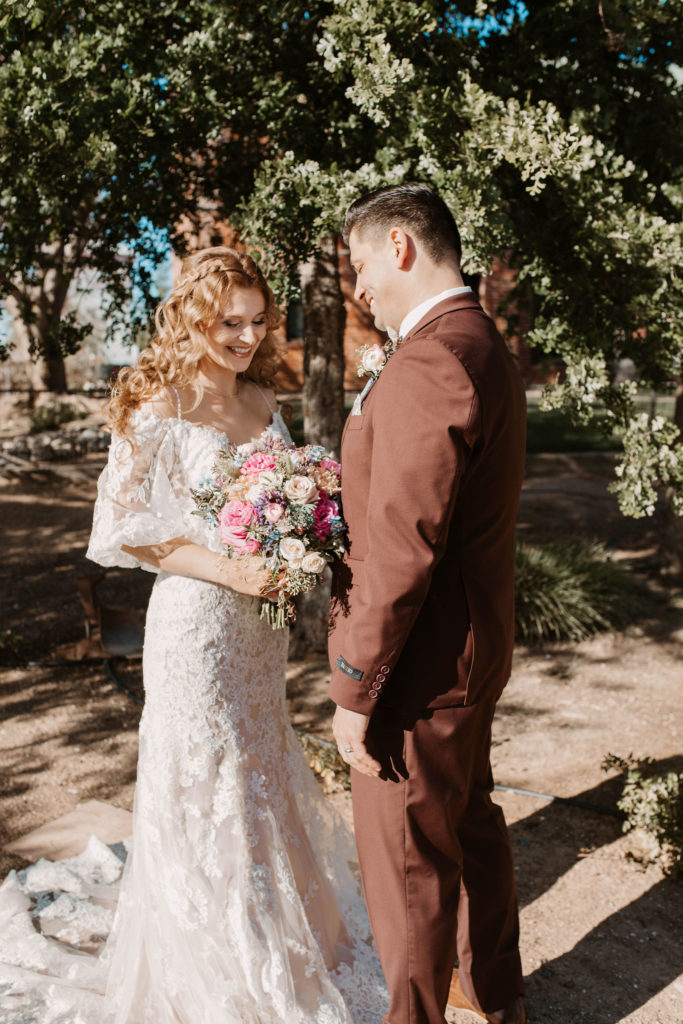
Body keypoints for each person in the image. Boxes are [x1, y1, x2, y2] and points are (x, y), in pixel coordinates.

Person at [0, 247, 387, 1024]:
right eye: (227, 322)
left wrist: (293, 547)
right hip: (197, 629)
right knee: (207, 784)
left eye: (256, 320)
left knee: (261, 772)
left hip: (258, 636)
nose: (245, 336)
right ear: (193, 318)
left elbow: (281, 503)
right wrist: (235, 571)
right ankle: (217, 960)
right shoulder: (158, 405)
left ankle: (284, 936)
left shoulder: (261, 401)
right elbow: (125, 532)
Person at [328, 184, 527, 1024]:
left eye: (361, 264)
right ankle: (496, 1002)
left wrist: (352, 687)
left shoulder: (431, 359)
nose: (359, 287)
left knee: (408, 868)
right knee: (469, 826)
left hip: (419, 665)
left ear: (401, 246)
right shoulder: (477, 342)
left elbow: (404, 547)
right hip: (469, 650)